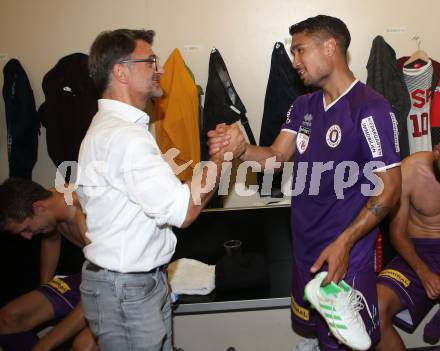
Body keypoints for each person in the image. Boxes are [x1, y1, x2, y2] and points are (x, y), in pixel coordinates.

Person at [208, 15, 401, 350]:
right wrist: (240, 149)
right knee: (321, 337)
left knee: (351, 343)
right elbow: (275, 158)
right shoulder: (303, 106)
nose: (294, 61)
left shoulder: (370, 109)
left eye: (300, 50)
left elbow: (391, 187)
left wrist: (345, 242)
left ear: (330, 47)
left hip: (345, 254)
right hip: (305, 248)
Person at [76, 29, 243, 351]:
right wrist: (222, 158)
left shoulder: (111, 129)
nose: (160, 68)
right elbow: (183, 211)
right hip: (126, 287)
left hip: (132, 281)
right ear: (121, 71)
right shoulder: (125, 137)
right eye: (150, 60)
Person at [0, 177, 98, 351]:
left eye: (27, 229)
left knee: (84, 346)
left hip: (123, 284)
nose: (28, 237)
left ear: (37, 207)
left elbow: (97, 298)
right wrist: (45, 288)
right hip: (92, 275)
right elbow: (51, 240)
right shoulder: (52, 202)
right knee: (7, 318)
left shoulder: (86, 214)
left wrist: (41, 347)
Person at [376, 148, 440, 351]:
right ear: (437, 151)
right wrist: (424, 273)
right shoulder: (411, 170)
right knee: (374, 309)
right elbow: (397, 233)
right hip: (418, 252)